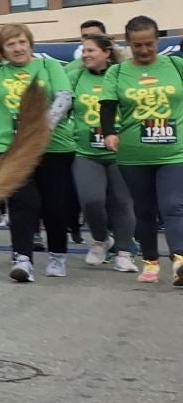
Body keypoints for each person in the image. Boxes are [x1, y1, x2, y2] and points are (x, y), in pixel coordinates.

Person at [0, 24, 76, 282]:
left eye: (22, 42)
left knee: (54, 205)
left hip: (53, 147)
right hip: (10, 148)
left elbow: (64, 97)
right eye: (10, 44)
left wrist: (42, 127)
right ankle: (22, 259)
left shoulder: (49, 67)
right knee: (23, 203)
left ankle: (57, 255)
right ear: (1, 50)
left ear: (30, 44)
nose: (18, 48)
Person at [101, 14, 183, 284]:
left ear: (157, 40)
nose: (145, 50)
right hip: (134, 155)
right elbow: (108, 106)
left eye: (149, 44)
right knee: (144, 209)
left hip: (175, 152)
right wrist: (110, 133)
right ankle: (150, 260)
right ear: (129, 44)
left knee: (173, 205)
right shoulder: (118, 72)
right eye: (138, 45)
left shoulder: (176, 65)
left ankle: (180, 260)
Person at [69, 32, 138, 271]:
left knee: (122, 204)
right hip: (86, 152)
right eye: (83, 50)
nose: (85, 55)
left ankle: (123, 253)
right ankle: (101, 239)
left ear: (107, 53)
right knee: (91, 201)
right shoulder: (75, 77)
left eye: (91, 50)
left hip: (122, 152)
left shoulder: (123, 75)